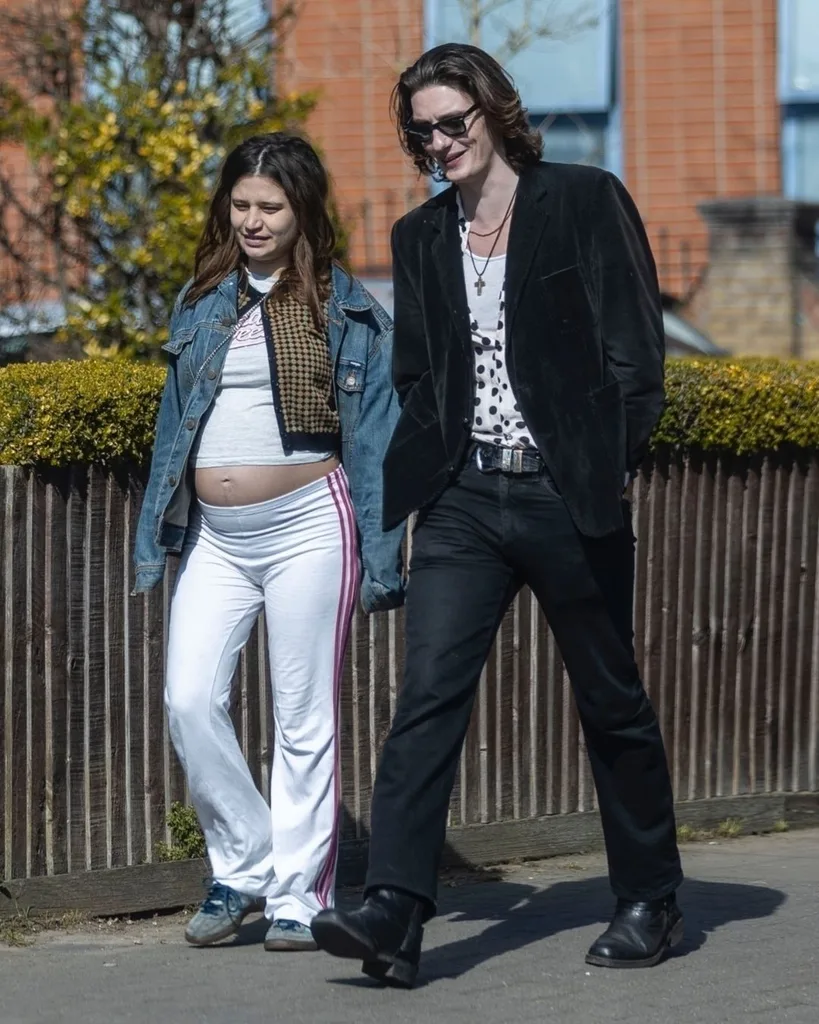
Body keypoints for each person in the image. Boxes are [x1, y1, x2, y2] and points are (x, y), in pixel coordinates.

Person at [310, 44, 684, 986]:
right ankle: (394, 911)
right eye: (423, 131)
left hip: (565, 495)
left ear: (493, 110)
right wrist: (427, 478)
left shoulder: (584, 200)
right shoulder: (419, 237)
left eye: (453, 122)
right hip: (464, 500)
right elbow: (417, 375)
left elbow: (637, 357)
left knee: (609, 700)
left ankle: (648, 896)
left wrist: (603, 463)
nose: (439, 143)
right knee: (427, 696)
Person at [133, 132, 404, 952]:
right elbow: (173, 427)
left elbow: (375, 437)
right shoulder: (201, 300)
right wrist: (157, 529)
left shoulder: (346, 308)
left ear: (302, 212)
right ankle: (244, 862)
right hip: (217, 535)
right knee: (188, 699)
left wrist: (382, 552)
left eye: (270, 208)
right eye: (241, 205)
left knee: (301, 714)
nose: (252, 221)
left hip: (309, 524)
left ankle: (297, 893)